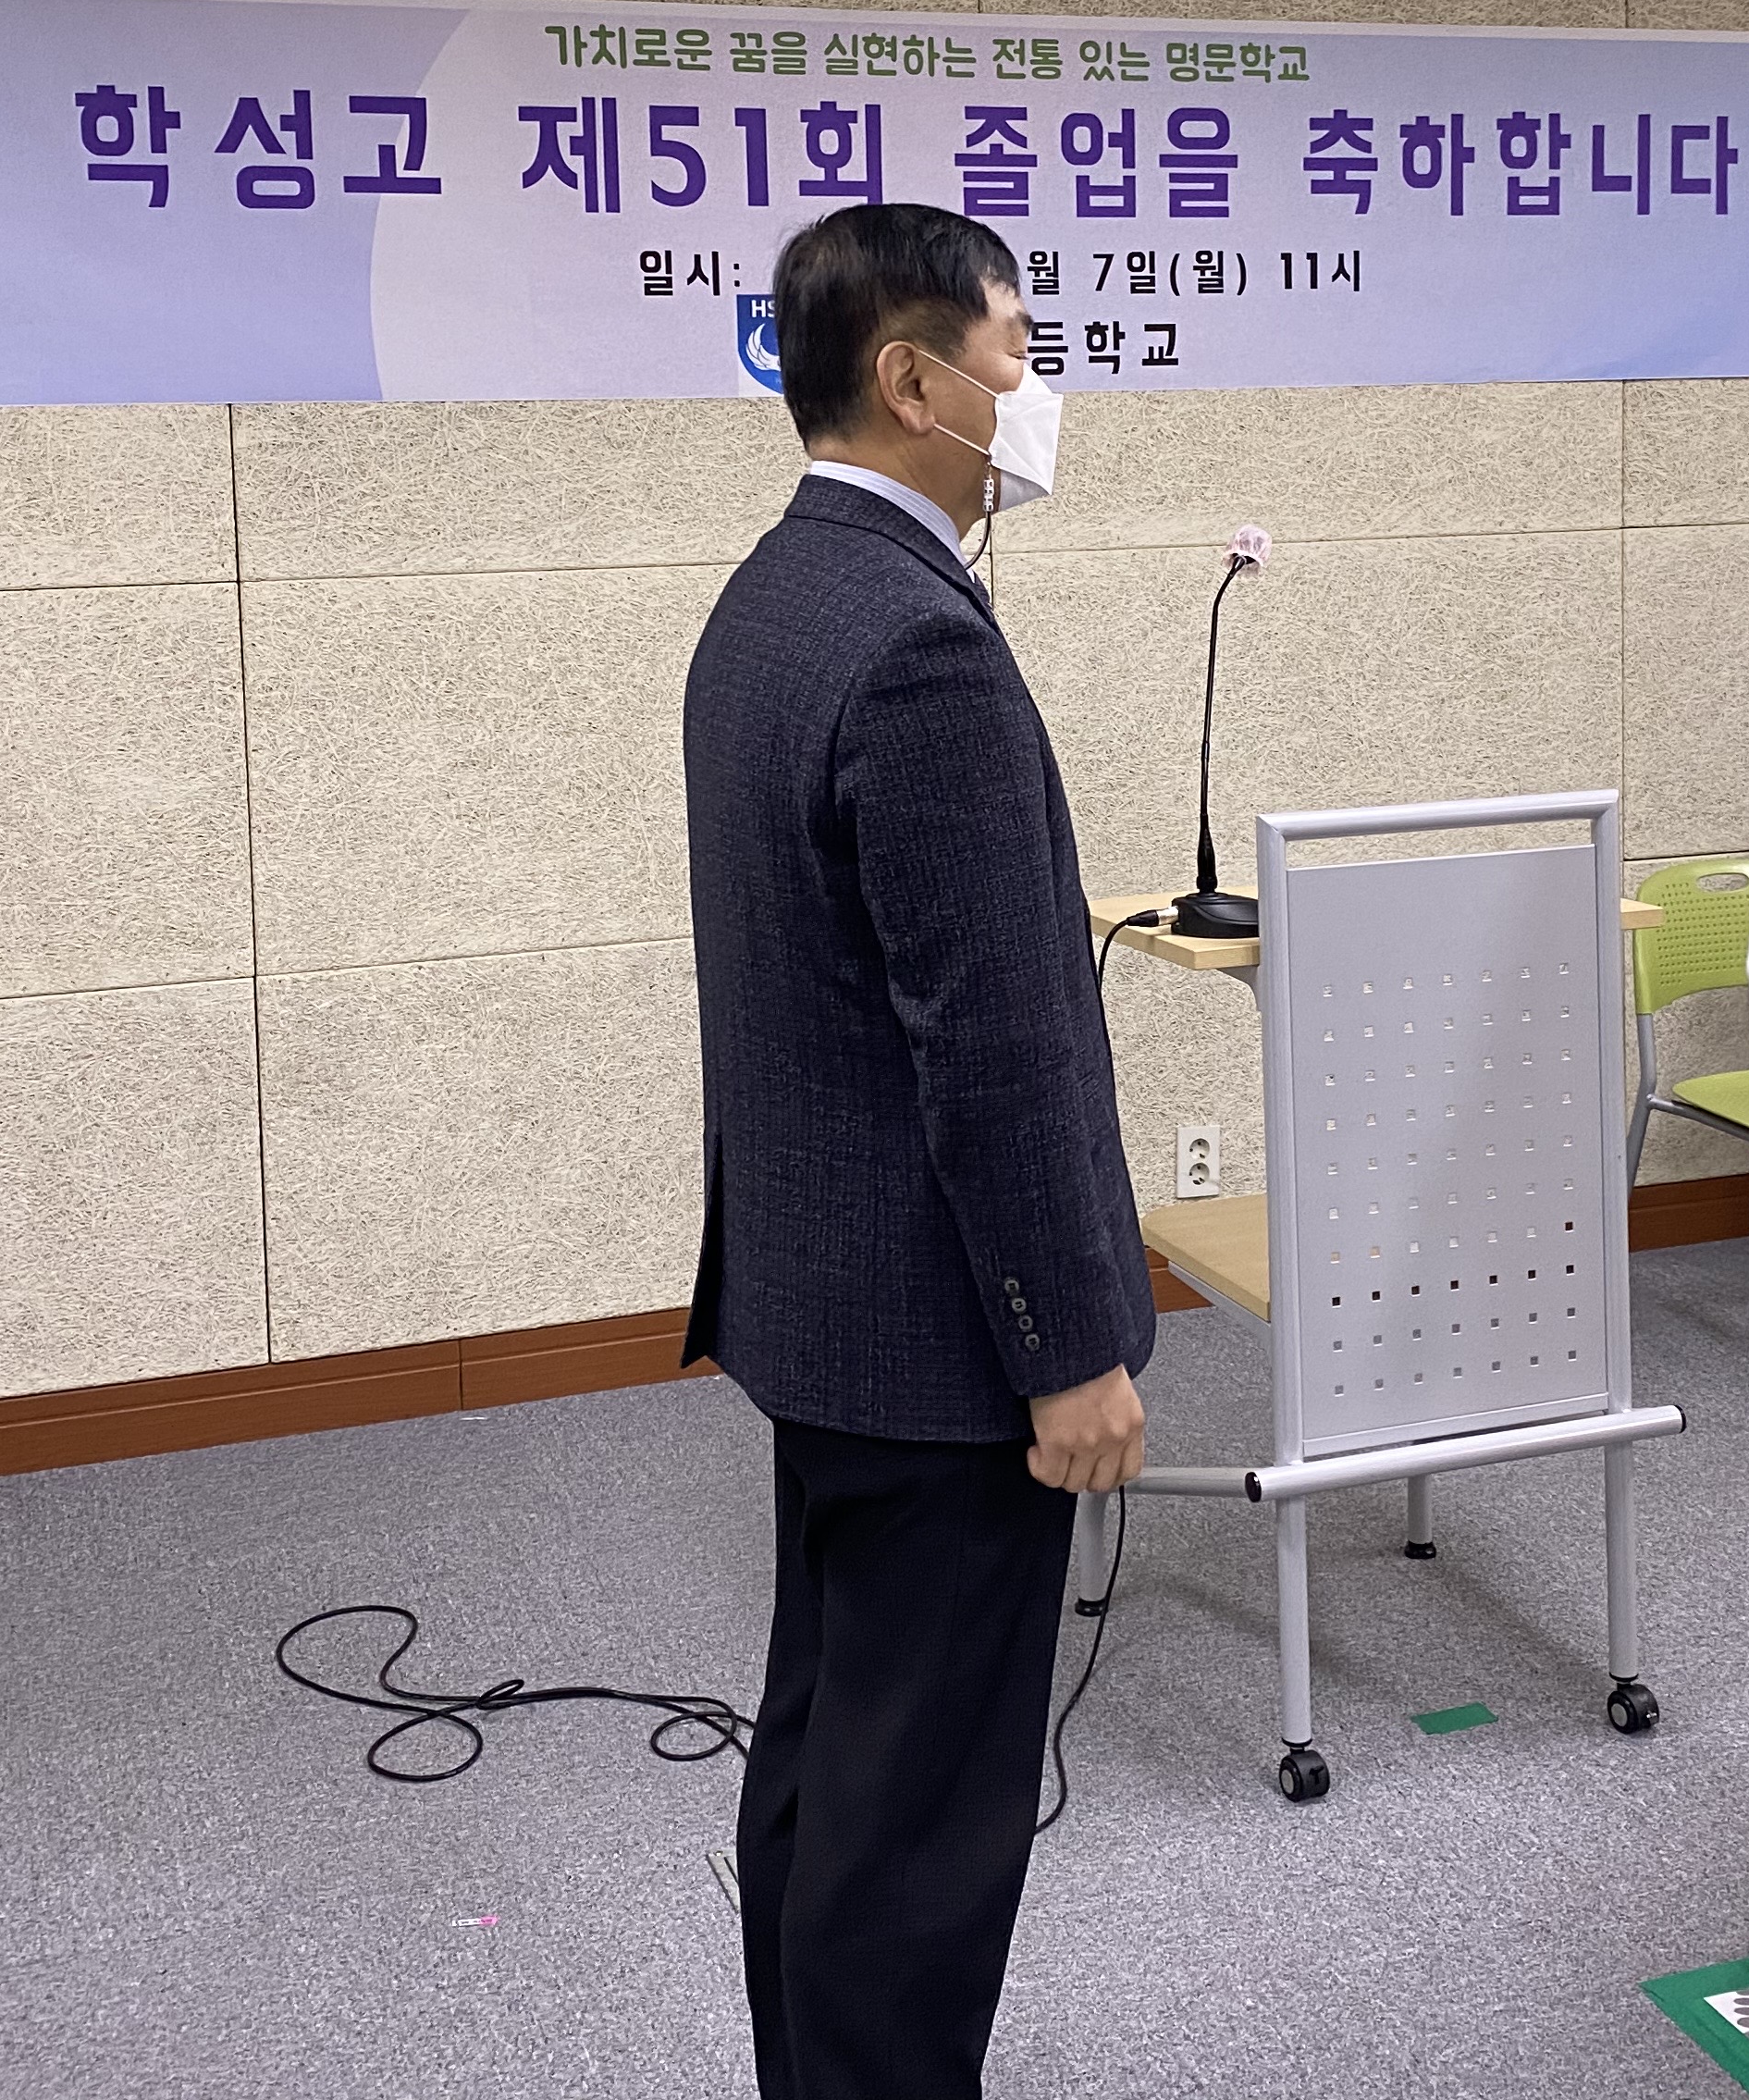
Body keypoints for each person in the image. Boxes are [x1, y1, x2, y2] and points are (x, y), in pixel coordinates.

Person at [679, 203, 1156, 2100]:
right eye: (1017, 353)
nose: (1034, 392)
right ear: (911, 378)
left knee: (830, 1754)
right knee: (921, 1831)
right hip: (945, 1344)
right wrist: (1069, 1350)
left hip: (820, 1307)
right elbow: (995, 1049)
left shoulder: (775, 593)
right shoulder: (917, 645)